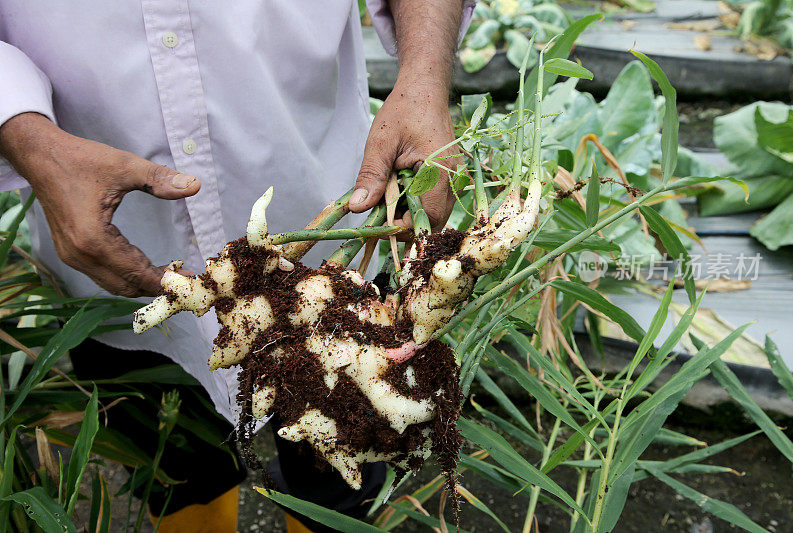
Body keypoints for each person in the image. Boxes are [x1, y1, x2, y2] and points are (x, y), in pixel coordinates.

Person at [0, 1, 472, 531]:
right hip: (111, 251)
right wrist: (31, 143)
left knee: (348, 473)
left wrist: (425, 77)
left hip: (336, 220)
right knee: (176, 479)